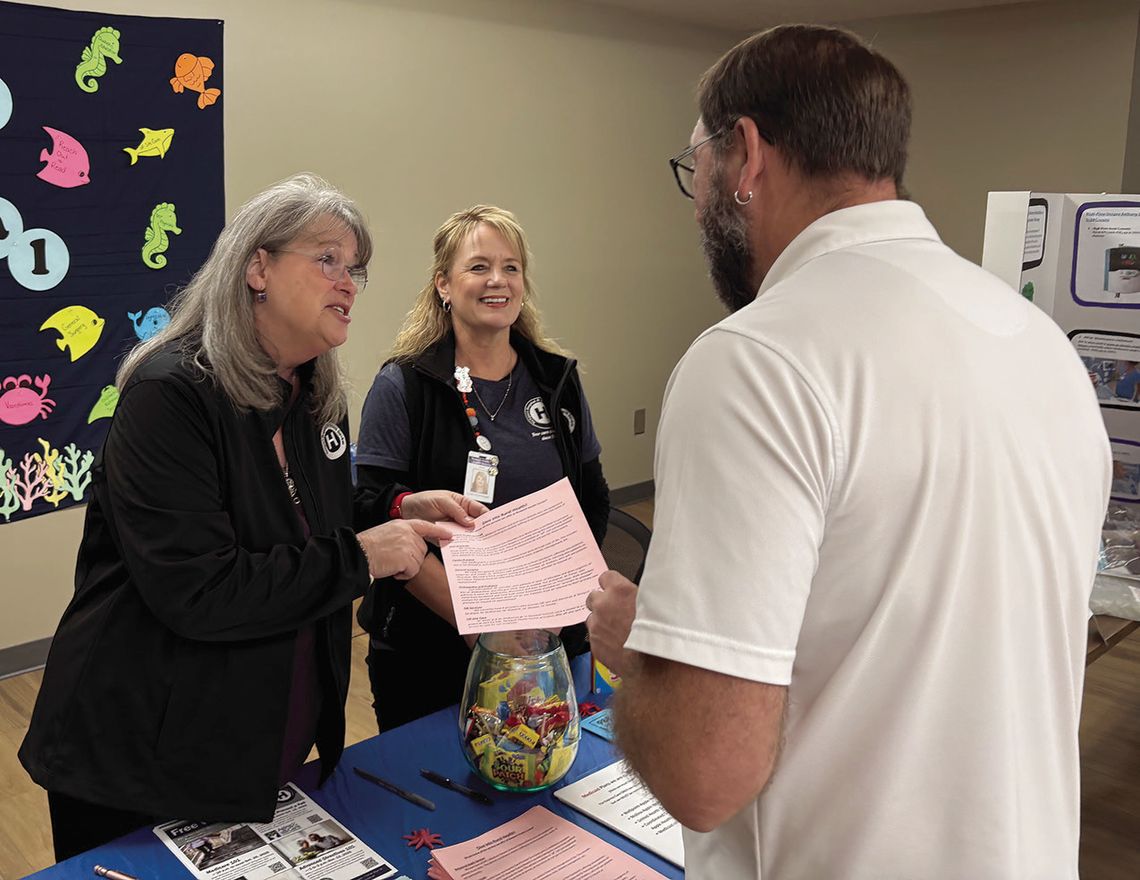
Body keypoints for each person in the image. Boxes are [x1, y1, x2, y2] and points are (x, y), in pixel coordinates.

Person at [585, 25, 1111, 880]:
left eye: (697, 169)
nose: (696, 201)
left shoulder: (756, 362)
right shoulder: (1040, 343)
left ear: (745, 155)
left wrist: (639, 651)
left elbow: (704, 772)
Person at [19, 174, 479, 860]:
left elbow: (308, 515)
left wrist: (396, 506)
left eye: (355, 269)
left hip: (259, 745)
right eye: (328, 260)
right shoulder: (169, 394)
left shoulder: (314, 391)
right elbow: (199, 590)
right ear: (257, 266)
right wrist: (365, 557)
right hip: (140, 755)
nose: (348, 283)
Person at [355, 205, 609, 730]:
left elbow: (593, 499)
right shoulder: (404, 387)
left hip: (550, 640)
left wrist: (556, 609)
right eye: (479, 267)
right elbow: (369, 512)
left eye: (511, 267)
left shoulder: (556, 381)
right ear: (444, 285)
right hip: (433, 649)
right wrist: (483, 624)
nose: (498, 280)